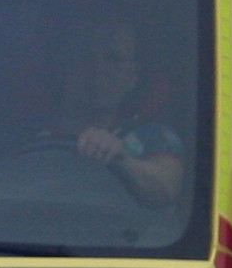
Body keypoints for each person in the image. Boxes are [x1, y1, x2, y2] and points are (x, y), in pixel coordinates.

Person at [33, 15, 186, 202]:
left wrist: (121, 159)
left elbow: (166, 188)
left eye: (114, 60)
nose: (98, 69)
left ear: (133, 76)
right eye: (84, 57)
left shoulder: (154, 138)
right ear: (62, 67)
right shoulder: (17, 136)